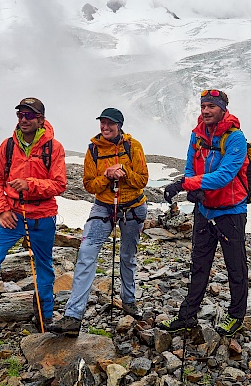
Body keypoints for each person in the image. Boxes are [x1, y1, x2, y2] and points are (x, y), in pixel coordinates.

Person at [0, 97, 67, 352]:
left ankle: (44, 316)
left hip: (42, 217)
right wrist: (2, 209)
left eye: (29, 115)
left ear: (40, 119)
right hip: (13, 216)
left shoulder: (54, 147)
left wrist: (31, 184)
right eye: (20, 114)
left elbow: (59, 184)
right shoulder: (8, 146)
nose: (23, 119)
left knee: (44, 267)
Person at [158, 89, 249, 337]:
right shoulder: (197, 135)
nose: (206, 111)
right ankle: (187, 317)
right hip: (205, 210)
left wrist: (186, 185)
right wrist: (193, 186)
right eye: (203, 106)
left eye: (211, 106)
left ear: (222, 109)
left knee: (235, 267)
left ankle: (236, 316)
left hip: (230, 212)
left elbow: (225, 175)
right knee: (199, 264)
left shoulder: (235, 138)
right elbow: (190, 165)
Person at [55, 107, 148, 337]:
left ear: (120, 125)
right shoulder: (93, 150)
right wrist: (107, 176)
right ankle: (73, 316)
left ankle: (129, 300)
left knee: (128, 256)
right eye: (102, 123)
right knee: (86, 252)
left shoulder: (133, 146)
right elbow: (89, 185)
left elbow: (142, 180)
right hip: (104, 206)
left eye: (110, 124)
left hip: (133, 208)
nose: (105, 127)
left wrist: (124, 172)